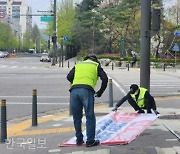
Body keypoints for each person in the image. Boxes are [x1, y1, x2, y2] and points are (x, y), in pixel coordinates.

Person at [67, 54, 108, 147]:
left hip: (74, 90)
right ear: (95, 60)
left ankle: (79, 139)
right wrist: (100, 92)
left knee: (77, 116)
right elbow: (104, 79)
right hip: (86, 90)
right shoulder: (96, 65)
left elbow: (69, 77)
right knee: (89, 116)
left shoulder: (78, 64)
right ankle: (90, 141)